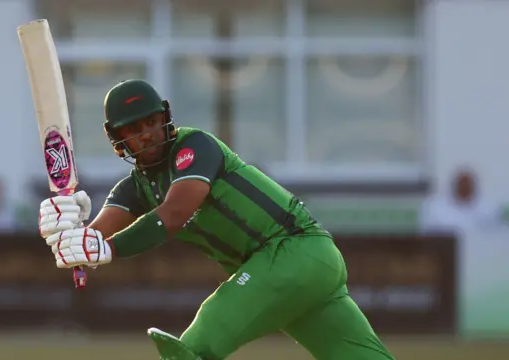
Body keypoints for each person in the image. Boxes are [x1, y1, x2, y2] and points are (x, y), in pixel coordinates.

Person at [38, 79, 395, 360]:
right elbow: (92, 240)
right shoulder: (134, 188)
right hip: (298, 270)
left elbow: (176, 212)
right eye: (133, 128)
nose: (146, 133)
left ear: (165, 119)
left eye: (151, 122)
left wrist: (107, 249)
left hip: (293, 251)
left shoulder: (196, 147)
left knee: (196, 344)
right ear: (119, 140)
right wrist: (67, 234)